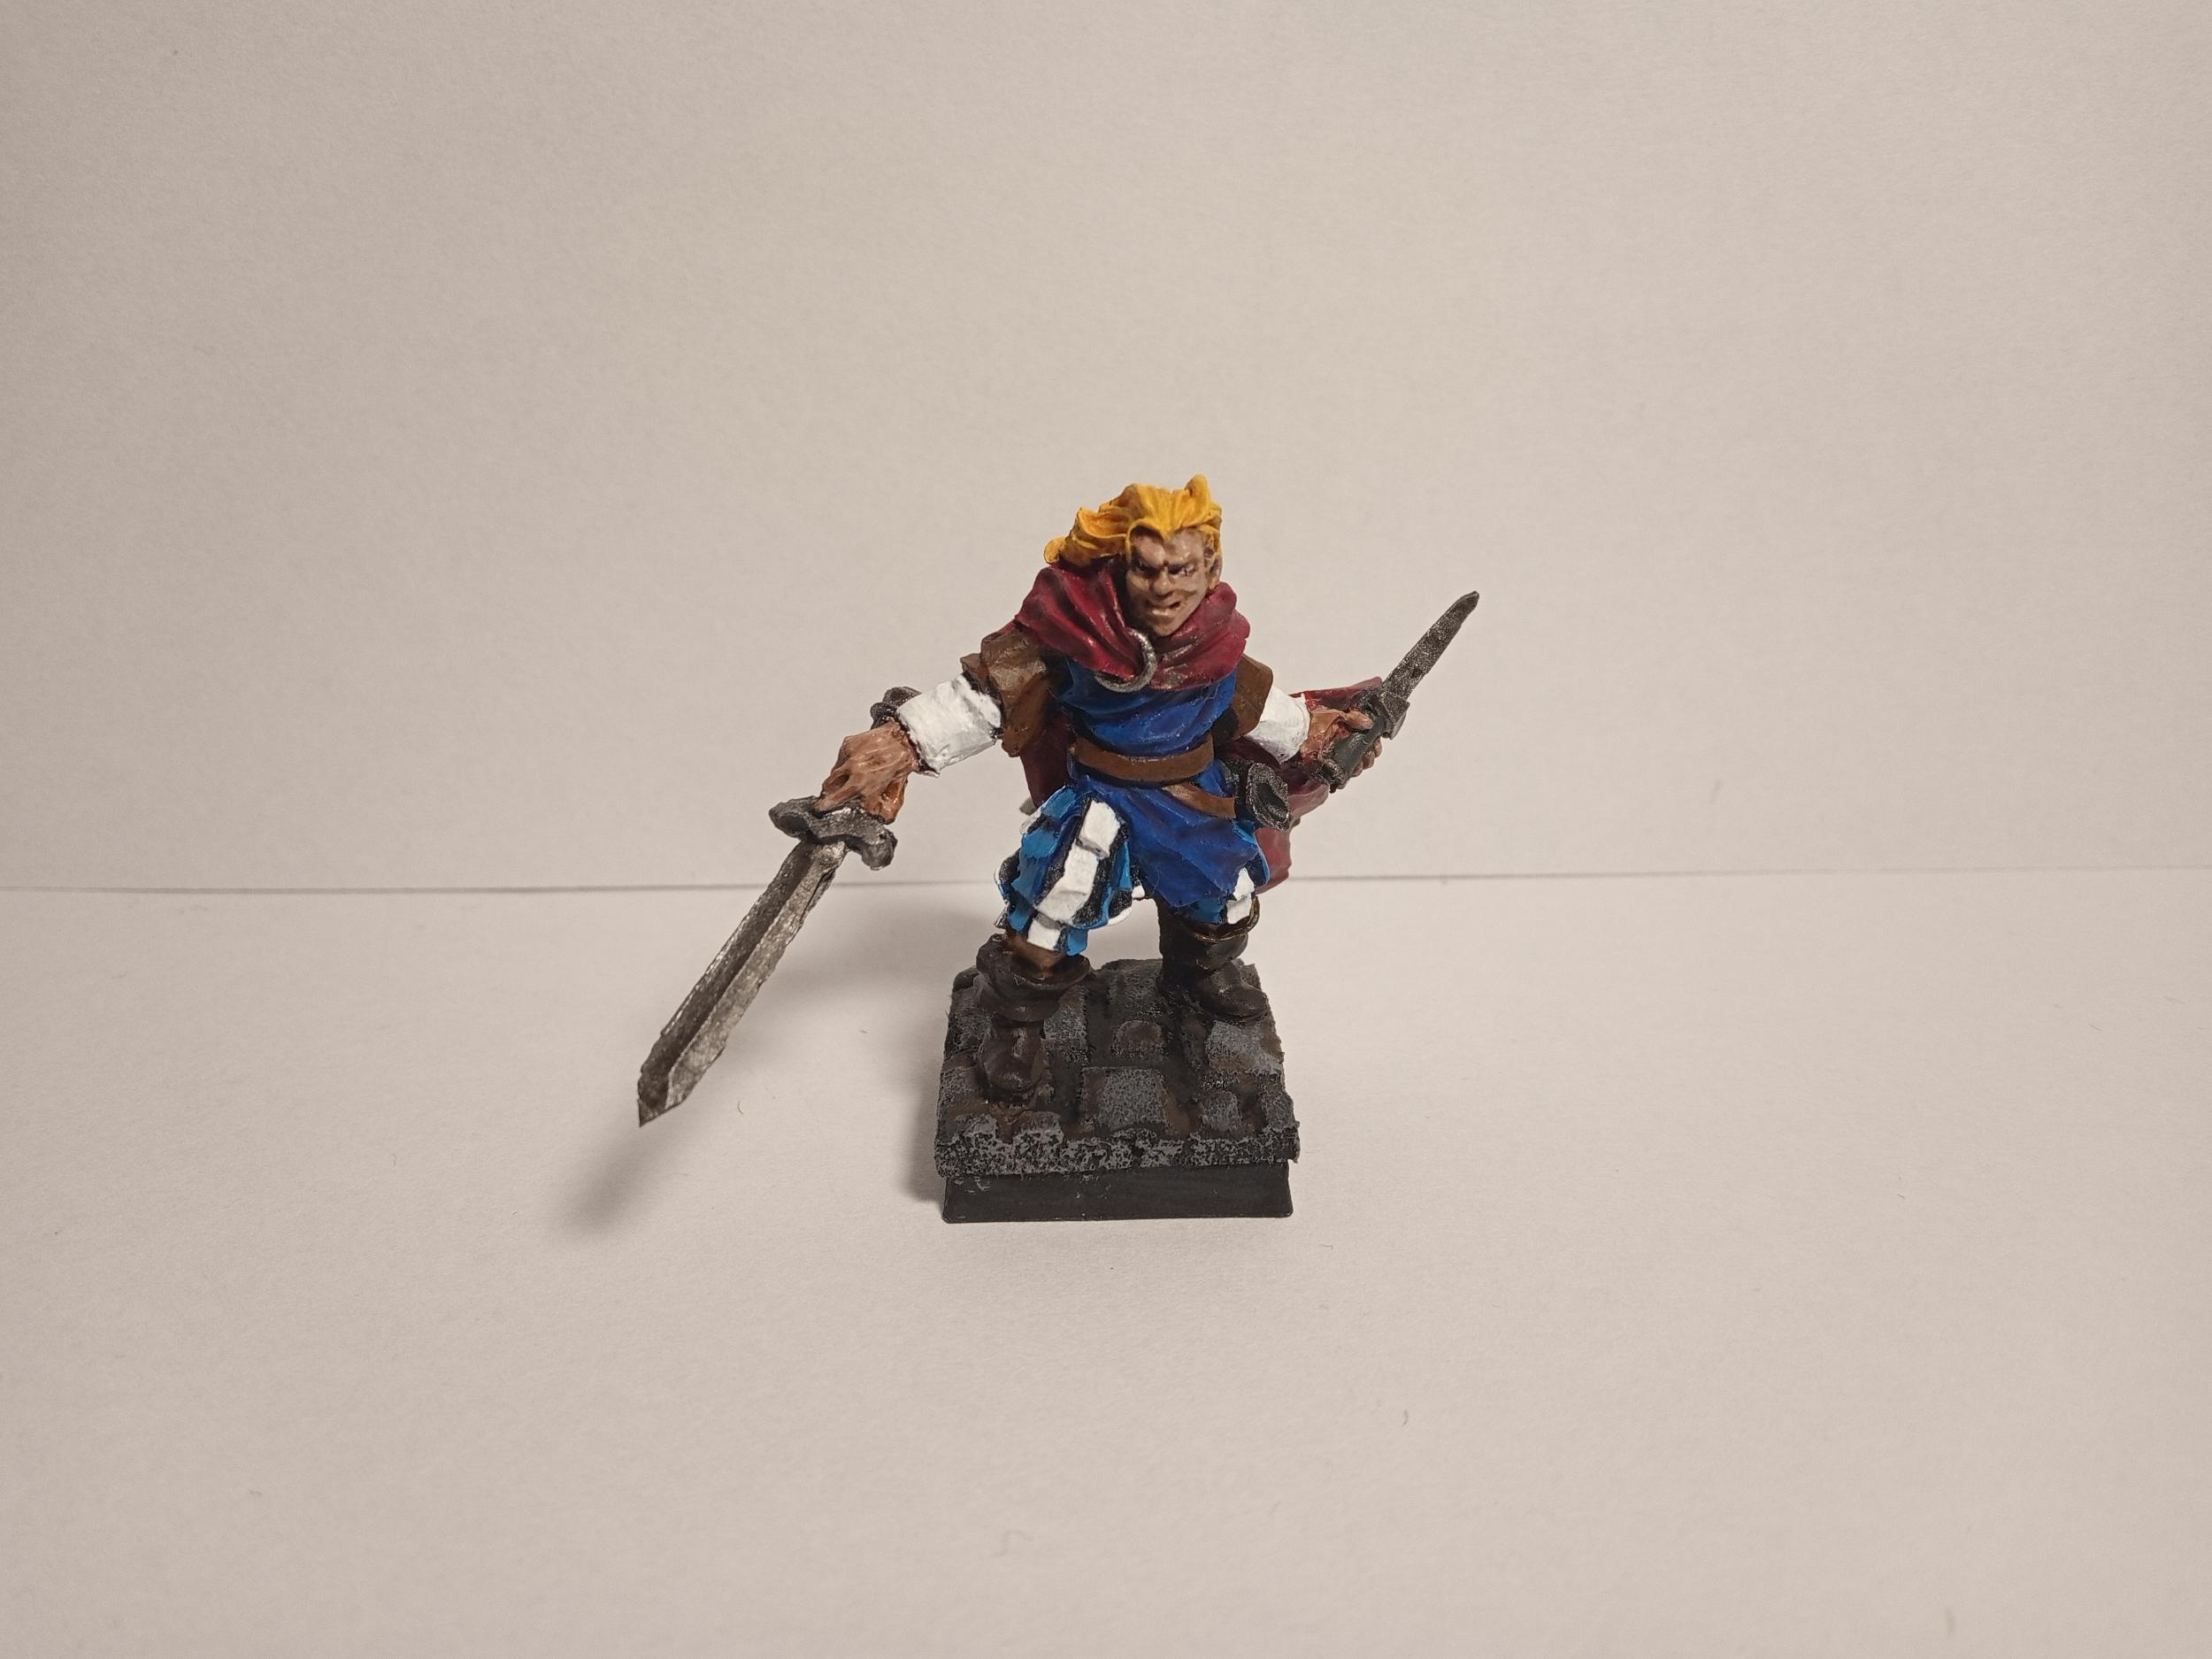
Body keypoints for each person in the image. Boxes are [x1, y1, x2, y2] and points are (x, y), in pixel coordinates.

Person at [813, 476, 1378, 1099]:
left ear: (1211, 568)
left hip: (1194, 800)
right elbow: (983, 699)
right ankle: (1018, 1026)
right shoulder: (1071, 637)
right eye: (1147, 569)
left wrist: (1321, 733)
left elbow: (1269, 714)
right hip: (1102, 799)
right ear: (1121, 567)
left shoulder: (1219, 645)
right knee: (1053, 904)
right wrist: (900, 742)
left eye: (1182, 569)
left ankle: (1200, 976)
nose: (1165, 587)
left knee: (1224, 895)